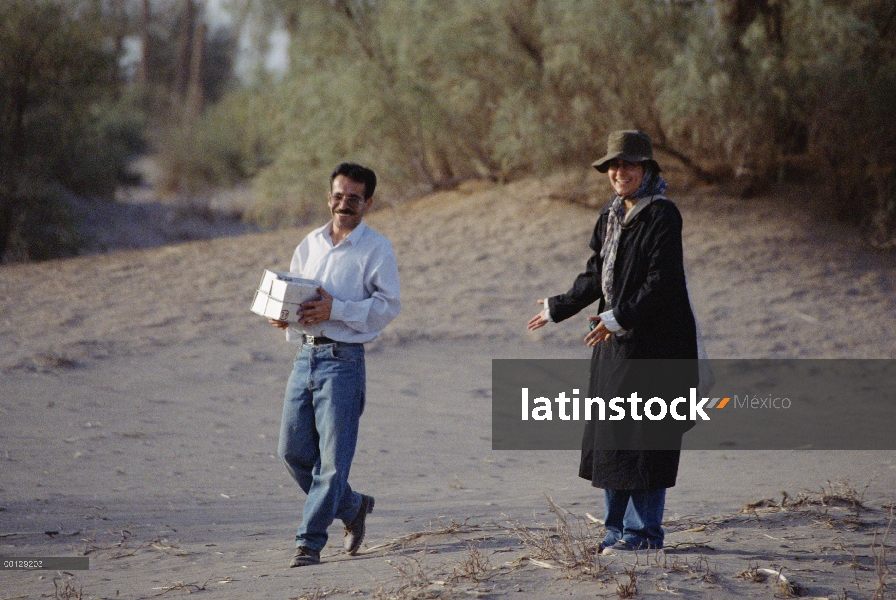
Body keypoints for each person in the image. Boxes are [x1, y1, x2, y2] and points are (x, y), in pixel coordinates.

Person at [527, 130, 698, 553]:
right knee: (611, 437)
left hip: (655, 345)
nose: (619, 172)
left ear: (647, 169)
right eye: (613, 166)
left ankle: (643, 535)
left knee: (645, 437)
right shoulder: (609, 215)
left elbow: (662, 283)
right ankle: (614, 531)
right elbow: (594, 274)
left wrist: (618, 316)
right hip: (612, 343)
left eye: (629, 165)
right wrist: (557, 308)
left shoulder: (662, 215)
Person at [268, 162, 401, 567]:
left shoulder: (376, 248)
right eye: (338, 196)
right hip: (304, 356)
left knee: (333, 461)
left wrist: (336, 308)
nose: (345, 204)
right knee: (291, 451)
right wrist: (283, 314)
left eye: (354, 198)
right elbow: (296, 292)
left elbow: (387, 306)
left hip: (343, 363)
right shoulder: (309, 243)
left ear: (368, 202)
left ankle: (308, 543)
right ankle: (353, 505)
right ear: (329, 198)